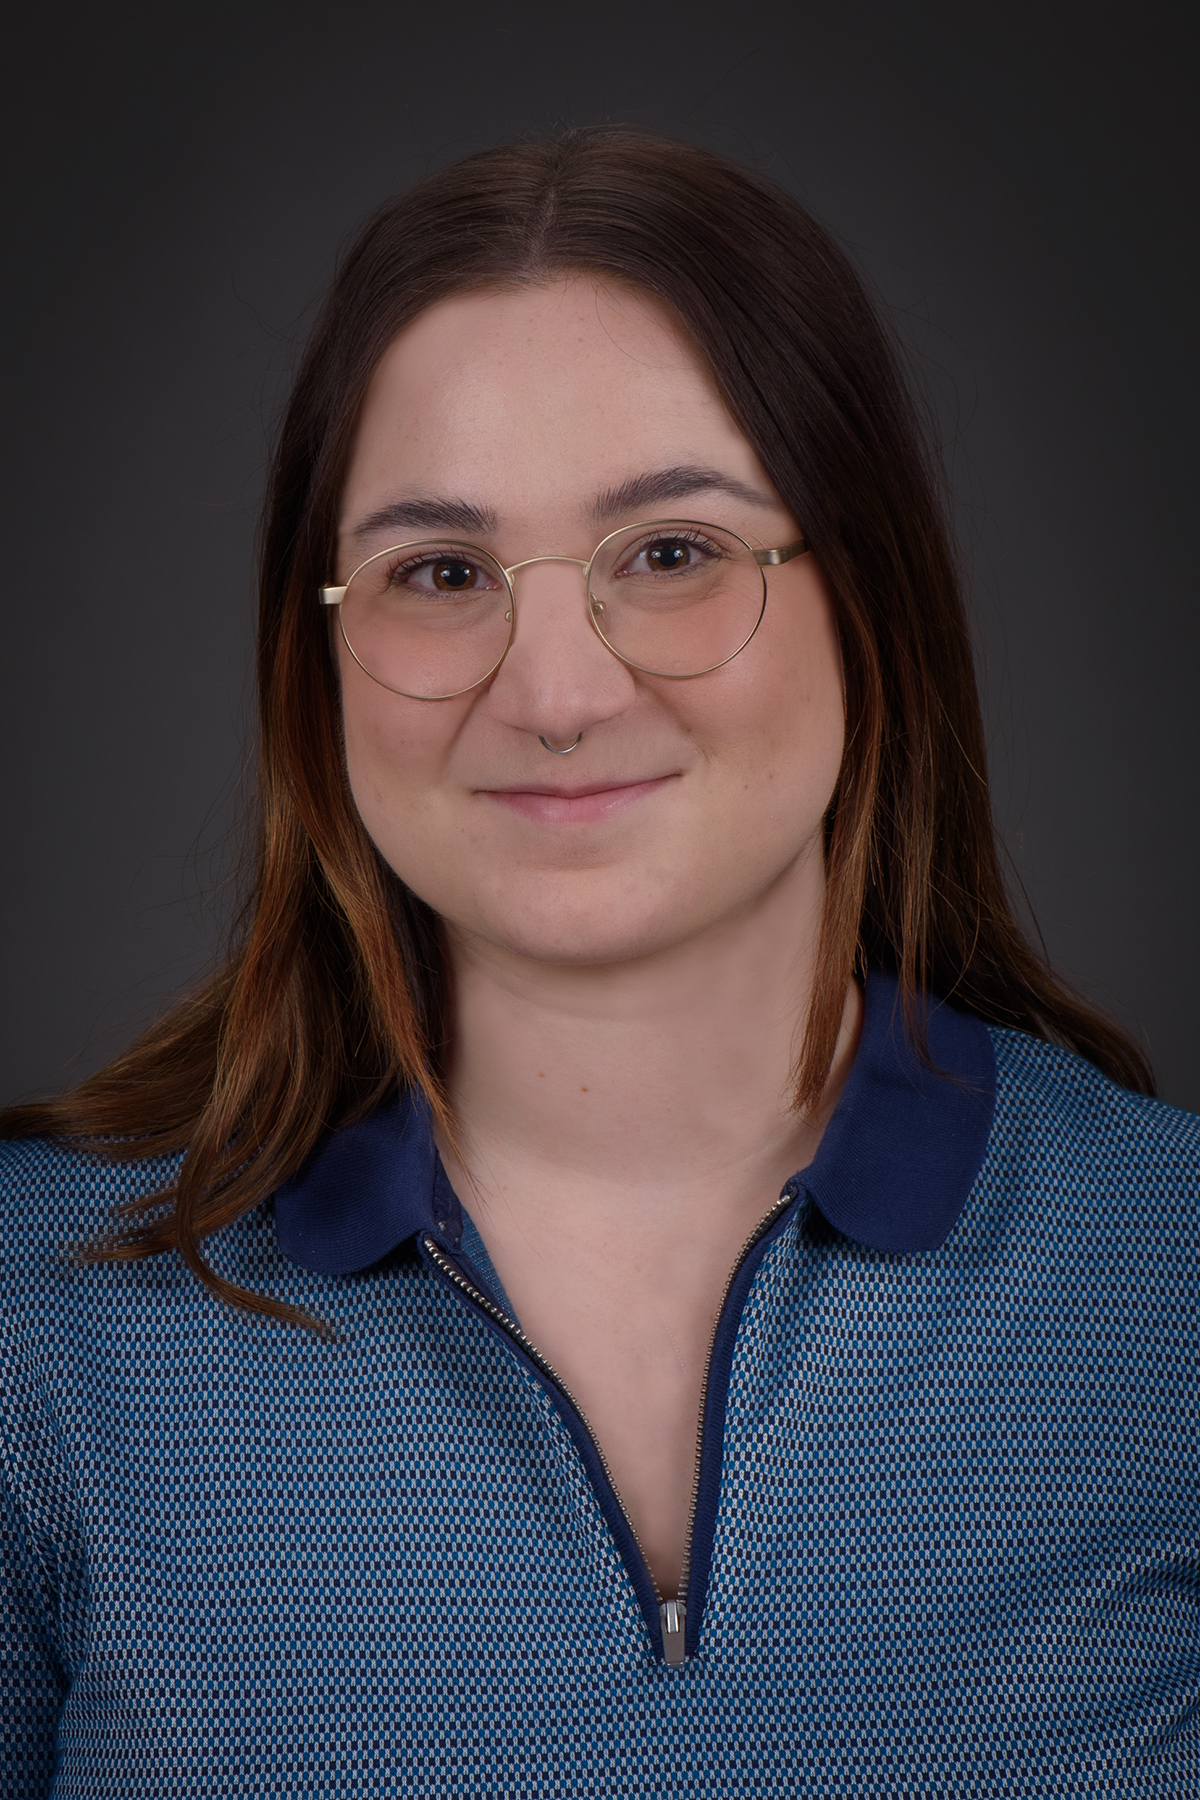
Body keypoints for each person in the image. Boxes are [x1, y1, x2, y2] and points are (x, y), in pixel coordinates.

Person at [1, 127, 1196, 1798]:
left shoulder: (1169, 1277)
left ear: (873, 601)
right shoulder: (37, 1317)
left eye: (672, 553)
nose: (556, 693)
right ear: (315, 657)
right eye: (441, 574)